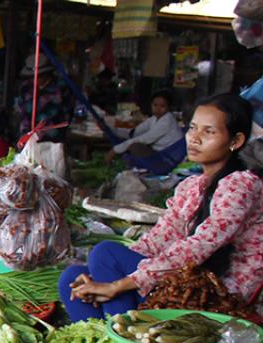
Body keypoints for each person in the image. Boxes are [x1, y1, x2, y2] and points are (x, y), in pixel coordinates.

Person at [60, 94, 263, 321]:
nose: (194, 139)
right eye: (193, 128)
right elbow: (158, 239)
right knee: (74, 277)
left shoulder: (242, 184)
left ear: (235, 141)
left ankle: (125, 339)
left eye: (209, 132)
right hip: (187, 278)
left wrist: (118, 285)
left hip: (218, 295)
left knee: (105, 254)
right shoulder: (191, 186)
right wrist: (107, 278)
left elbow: (201, 245)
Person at [14, 55, 72, 143]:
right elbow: (21, 112)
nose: (35, 78)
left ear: (46, 73)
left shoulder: (61, 88)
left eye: (39, 75)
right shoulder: (25, 87)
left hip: (52, 140)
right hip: (27, 138)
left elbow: (67, 114)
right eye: (32, 76)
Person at [109, 90, 182, 160]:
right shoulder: (154, 118)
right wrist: (112, 131)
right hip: (160, 152)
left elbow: (145, 139)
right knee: (132, 143)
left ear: (168, 108)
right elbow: (135, 132)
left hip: (169, 156)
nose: (158, 108)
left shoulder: (167, 121)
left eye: (162, 106)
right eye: (155, 105)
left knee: (134, 146)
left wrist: (115, 150)